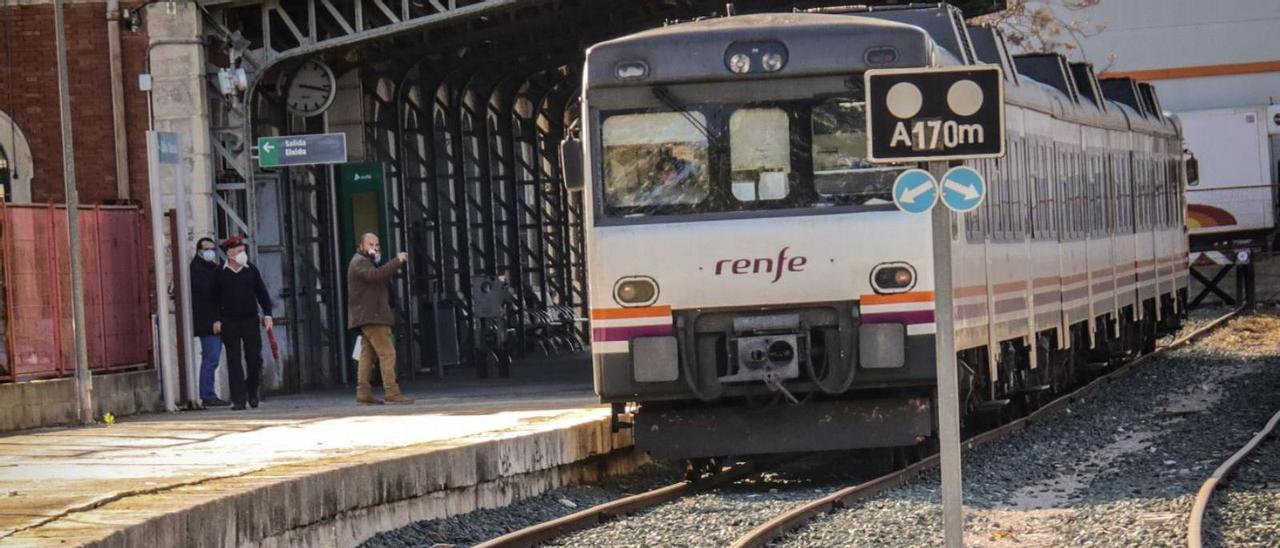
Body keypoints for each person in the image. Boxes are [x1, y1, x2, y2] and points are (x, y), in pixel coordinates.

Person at [347, 233, 414, 405]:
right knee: (388, 353)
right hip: (373, 316)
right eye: (370, 244)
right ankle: (392, 391)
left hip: (370, 316)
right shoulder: (360, 263)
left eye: (377, 244)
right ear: (361, 246)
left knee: (367, 355)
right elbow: (376, 276)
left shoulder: (365, 262)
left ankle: (363, 392)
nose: (375, 247)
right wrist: (397, 261)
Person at [212, 236, 273, 411]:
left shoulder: (251, 270)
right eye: (239, 252)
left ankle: (252, 390)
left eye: (243, 251)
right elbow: (214, 298)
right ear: (229, 254)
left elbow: (262, 293)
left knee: (254, 358)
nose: (242, 254)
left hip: (250, 320)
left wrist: (267, 313)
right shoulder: (219, 273)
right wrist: (216, 319)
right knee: (233, 360)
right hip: (229, 321)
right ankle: (238, 399)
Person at [190, 237, 229, 407]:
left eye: (212, 249)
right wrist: (215, 319)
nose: (210, 252)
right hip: (208, 322)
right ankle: (208, 394)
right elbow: (208, 296)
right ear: (199, 250)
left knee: (212, 358)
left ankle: (209, 393)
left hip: (215, 320)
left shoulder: (212, 268)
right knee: (211, 358)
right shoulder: (197, 270)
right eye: (207, 249)